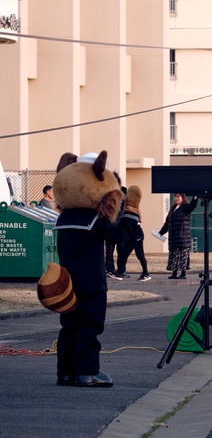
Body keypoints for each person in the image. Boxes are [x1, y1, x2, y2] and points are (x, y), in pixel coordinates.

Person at [51, 151, 126, 387]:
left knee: (69, 327)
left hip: (67, 281)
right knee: (89, 326)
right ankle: (87, 372)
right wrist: (127, 210)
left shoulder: (63, 218)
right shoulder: (94, 219)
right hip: (91, 282)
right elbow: (121, 236)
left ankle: (65, 372)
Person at [111, 185, 151, 282]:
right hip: (131, 235)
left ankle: (146, 273)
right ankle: (119, 272)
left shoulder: (130, 213)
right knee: (124, 254)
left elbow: (127, 225)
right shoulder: (129, 211)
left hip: (137, 235)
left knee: (140, 254)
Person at [160, 193, 199, 280]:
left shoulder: (185, 207)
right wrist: (161, 232)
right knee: (174, 255)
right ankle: (174, 273)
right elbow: (167, 223)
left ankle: (183, 273)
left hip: (182, 236)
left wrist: (195, 198)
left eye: (178, 197)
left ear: (183, 198)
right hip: (173, 236)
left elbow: (192, 206)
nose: (176, 198)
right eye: (175, 197)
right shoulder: (173, 208)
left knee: (182, 255)